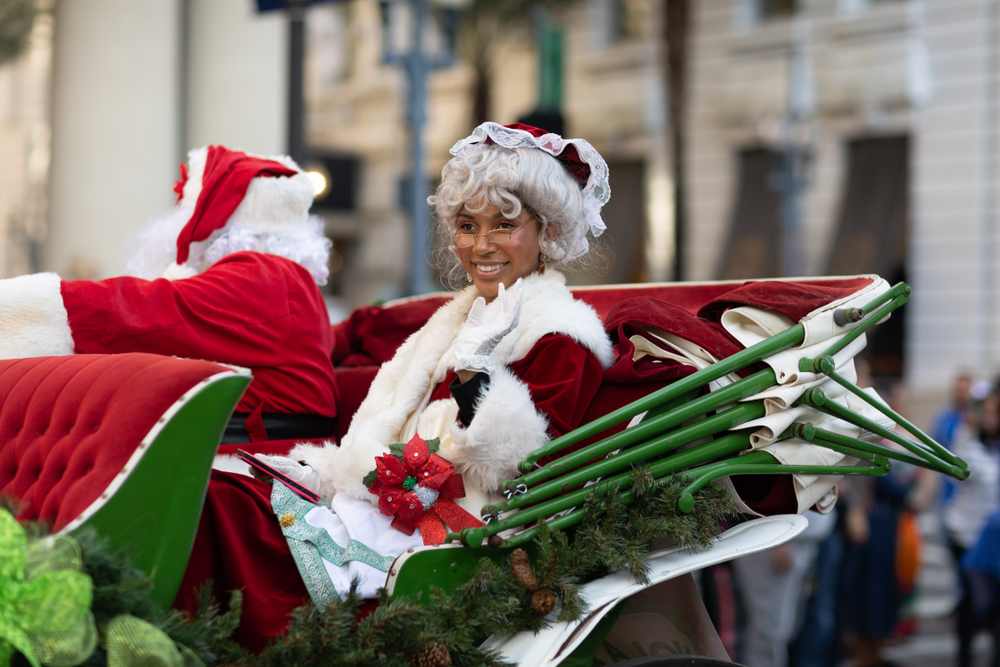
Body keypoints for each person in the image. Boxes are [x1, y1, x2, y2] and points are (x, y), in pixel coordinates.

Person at [173, 122, 616, 651]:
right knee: (212, 489)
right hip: (380, 495)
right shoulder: (455, 318)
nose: (481, 246)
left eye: (504, 225)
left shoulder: (563, 332)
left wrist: (477, 373)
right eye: (468, 225)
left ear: (547, 232)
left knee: (229, 511)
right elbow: (385, 420)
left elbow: (522, 467)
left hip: (461, 532)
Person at [0, 145, 338, 446]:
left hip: (250, 468)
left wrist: (20, 305)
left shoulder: (264, 277)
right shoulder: (285, 279)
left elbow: (146, 313)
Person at [945, 391, 1000, 667]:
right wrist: (968, 426)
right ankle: (964, 656)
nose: (990, 418)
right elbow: (959, 469)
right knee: (969, 600)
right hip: (966, 533)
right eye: (985, 412)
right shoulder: (967, 441)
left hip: (994, 539)